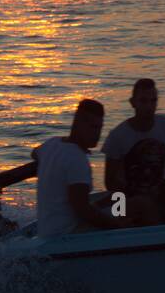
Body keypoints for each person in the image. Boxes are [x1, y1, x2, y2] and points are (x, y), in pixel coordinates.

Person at [103, 79, 165, 226]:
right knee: (141, 206)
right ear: (133, 103)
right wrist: (122, 208)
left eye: (153, 101)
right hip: (127, 197)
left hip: (161, 191)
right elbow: (110, 183)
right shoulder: (117, 136)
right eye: (144, 101)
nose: (149, 107)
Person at [33, 99, 131, 238]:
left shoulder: (51, 144)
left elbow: (34, 153)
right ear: (78, 124)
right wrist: (116, 225)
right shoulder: (77, 159)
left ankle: (119, 220)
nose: (97, 134)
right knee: (128, 201)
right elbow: (82, 210)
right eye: (93, 127)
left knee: (117, 197)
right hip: (68, 234)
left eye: (99, 128)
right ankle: (126, 236)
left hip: (47, 230)